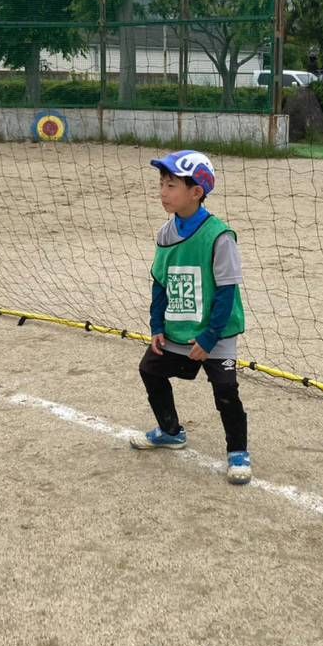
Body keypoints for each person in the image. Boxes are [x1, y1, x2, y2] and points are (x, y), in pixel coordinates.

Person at [131, 150, 252, 485]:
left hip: (216, 332)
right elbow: (160, 282)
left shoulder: (220, 236)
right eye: (161, 184)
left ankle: (238, 452)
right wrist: (157, 325)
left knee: (225, 390)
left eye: (171, 185)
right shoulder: (165, 233)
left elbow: (226, 292)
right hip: (179, 327)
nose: (162, 192)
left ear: (196, 192)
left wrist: (210, 338)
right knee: (149, 369)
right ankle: (171, 431)